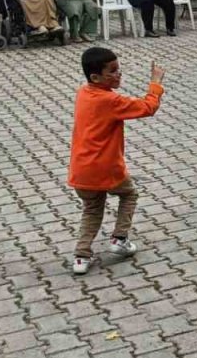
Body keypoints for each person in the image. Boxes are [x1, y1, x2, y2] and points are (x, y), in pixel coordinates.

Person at [67, 47, 165, 275]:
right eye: (112, 71)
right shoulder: (110, 100)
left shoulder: (84, 93)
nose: (119, 74)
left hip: (80, 170)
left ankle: (81, 256)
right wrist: (156, 83)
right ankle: (119, 238)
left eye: (119, 68)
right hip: (105, 168)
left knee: (92, 210)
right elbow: (148, 107)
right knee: (129, 194)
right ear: (96, 77)